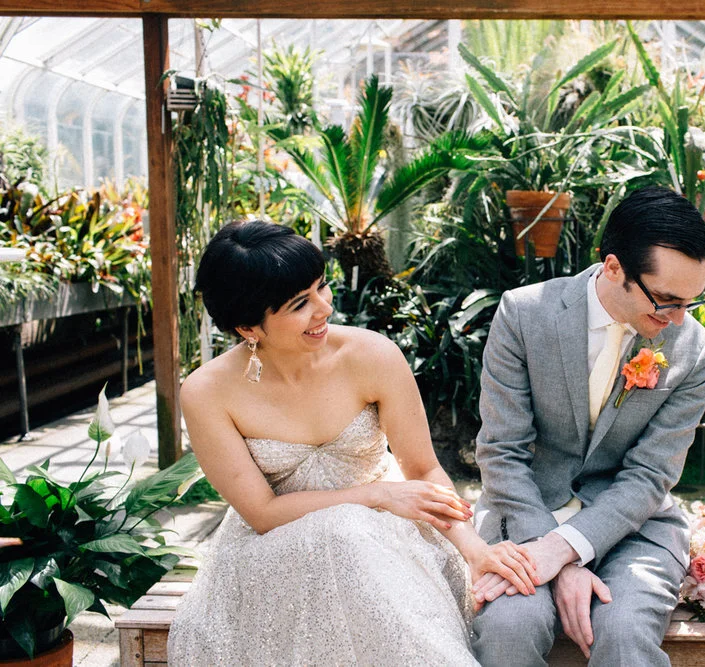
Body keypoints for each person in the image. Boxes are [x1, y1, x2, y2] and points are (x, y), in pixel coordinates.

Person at [168, 220, 538, 666]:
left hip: (389, 543)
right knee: (345, 530)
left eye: (322, 287)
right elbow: (262, 512)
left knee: (355, 540)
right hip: (276, 554)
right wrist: (378, 495)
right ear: (249, 327)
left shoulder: (371, 355)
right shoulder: (206, 392)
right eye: (300, 304)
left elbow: (422, 471)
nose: (324, 307)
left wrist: (475, 550)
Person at [471, 186, 705, 666]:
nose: (679, 319)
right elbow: (502, 453)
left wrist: (563, 551)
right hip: (524, 517)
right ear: (613, 268)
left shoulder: (694, 349)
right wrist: (555, 558)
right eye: (666, 301)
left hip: (635, 531)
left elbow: (650, 476)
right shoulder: (523, 315)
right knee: (508, 630)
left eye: (693, 301)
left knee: (624, 635)